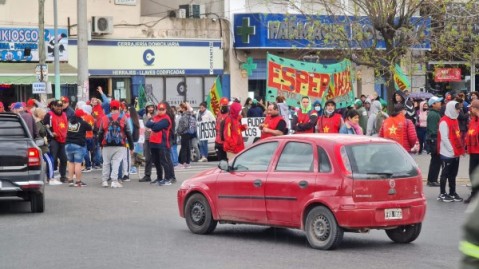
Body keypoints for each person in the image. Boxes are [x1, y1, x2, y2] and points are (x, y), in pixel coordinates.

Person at [98, 100, 134, 188]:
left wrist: (100, 144)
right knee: (116, 162)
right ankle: (114, 181)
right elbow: (128, 132)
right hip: (120, 144)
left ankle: (104, 181)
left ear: (110, 108)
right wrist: (131, 147)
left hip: (106, 144)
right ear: (119, 107)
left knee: (106, 163)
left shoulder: (104, 118)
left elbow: (100, 132)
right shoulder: (124, 117)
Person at [437, 100, 465, 202]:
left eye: (459, 109)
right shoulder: (444, 121)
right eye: (457, 109)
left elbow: (457, 136)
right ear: (451, 109)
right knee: (445, 173)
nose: (459, 111)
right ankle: (442, 193)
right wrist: (451, 149)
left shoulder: (455, 120)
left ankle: (452, 192)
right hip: (447, 153)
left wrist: (460, 149)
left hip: (455, 153)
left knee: (453, 174)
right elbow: (444, 138)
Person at [145, 102, 176, 186]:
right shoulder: (155, 117)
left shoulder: (166, 118)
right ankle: (159, 177)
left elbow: (156, 127)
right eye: (159, 109)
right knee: (156, 161)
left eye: (163, 109)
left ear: (165, 110)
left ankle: (168, 178)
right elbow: (147, 123)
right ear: (157, 109)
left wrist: (153, 124)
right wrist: (154, 124)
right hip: (153, 142)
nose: (161, 111)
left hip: (163, 142)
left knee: (164, 161)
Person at [42, 99, 68, 183]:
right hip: (53, 140)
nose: (59, 108)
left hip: (63, 139)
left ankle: (63, 176)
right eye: (57, 106)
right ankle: (50, 176)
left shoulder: (64, 114)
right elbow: (45, 127)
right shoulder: (49, 115)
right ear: (53, 106)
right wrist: (51, 133)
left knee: (64, 158)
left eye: (61, 106)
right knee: (52, 158)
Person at [65, 109, 92, 187]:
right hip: (78, 144)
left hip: (68, 144)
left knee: (70, 162)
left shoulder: (70, 122)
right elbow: (90, 127)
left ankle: (70, 180)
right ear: (81, 115)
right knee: (78, 163)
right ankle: (78, 181)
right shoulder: (82, 122)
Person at [33, 108, 59, 185]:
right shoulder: (38, 123)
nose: (45, 114)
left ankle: (50, 177)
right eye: (43, 113)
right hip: (42, 146)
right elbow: (36, 134)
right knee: (49, 161)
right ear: (40, 114)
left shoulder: (40, 122)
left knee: (50, 160)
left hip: (43, 145)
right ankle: (51, 178)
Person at [425, 96, 443, 187]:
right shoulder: (433, 115)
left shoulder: (435, 113)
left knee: (436, 161)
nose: (440, 103)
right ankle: (432, 180)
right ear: (433, 104)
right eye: (438, 102)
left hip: (435, 140)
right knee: (436, 161)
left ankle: (432, 179)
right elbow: (433, 130)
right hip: (435, 140)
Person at [465, 100, 479, 204]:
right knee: (472, 173)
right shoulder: (473, 120)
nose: (470, 109)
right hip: (473, 152)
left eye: (472, 108)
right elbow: (469, 134)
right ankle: (474, 194)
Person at [139, 101, 155, 182]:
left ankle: (164, 176)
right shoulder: (145, 115)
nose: (150, 109)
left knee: (158, 158)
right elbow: (146, 125)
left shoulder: (156, 115)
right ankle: (147, 175)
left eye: (151, 107)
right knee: (147, 158)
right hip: (147, 139)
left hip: (156, 139)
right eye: (148, 107)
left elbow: (154, 125)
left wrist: (150, 119)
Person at [177, 102, 196, 169]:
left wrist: (179, 131)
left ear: (183, 108)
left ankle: (183, 163)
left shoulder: (184, 115)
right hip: (189, 133)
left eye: (180, 107)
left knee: (184, 148)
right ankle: (187, 162)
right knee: (187, 147)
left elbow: (184, 125)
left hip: (184, 133)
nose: (179, 109)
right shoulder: (189, 114)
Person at [215, 97, 229, 161]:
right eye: (223, 105)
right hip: (218, 141)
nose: (224, 106)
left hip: (225, 142)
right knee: (220, 159)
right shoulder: (219, 113)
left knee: (226, 160)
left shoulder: (229, 115)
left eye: (226, 105)